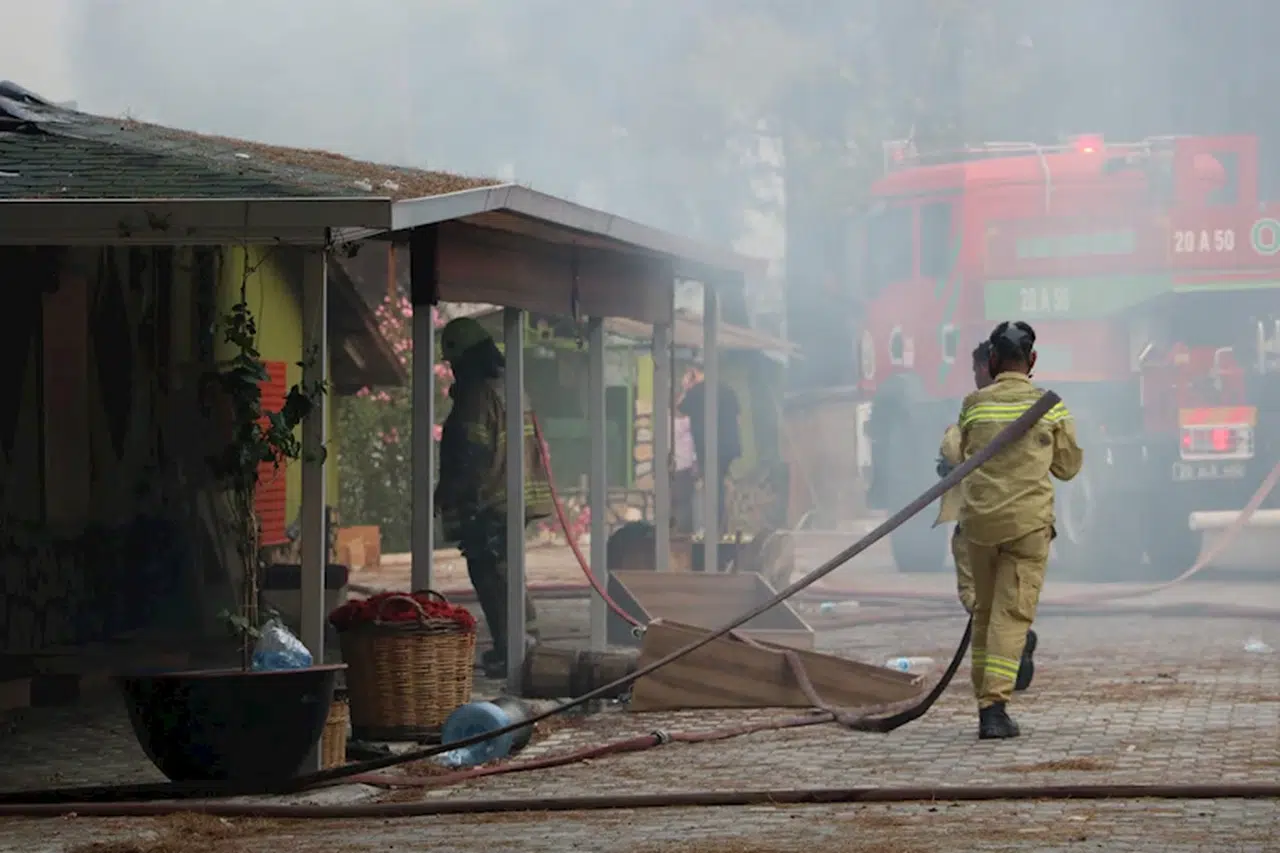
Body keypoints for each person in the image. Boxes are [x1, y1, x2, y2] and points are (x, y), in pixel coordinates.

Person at [956, 320, 1083, 739]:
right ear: (1031, 361)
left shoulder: (974, 403)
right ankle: (994, 710)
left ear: (992, 361)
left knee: (985, 613)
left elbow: (961, 452)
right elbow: (1067, 468)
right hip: (1027, 527)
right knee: (1011, 615)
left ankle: (984, 703)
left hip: (978, 525)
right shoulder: (1051, 407)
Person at [435, 317, 553, 678]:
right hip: (514, 497)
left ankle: (515, 650)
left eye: (453, 362)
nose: (453, 370)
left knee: (492, 575)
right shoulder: (511, 387)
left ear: (464, 359)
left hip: (488, 500)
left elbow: (470, 452)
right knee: (507, 573)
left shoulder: (477, 395)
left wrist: (448, 492)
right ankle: (523, 645)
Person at [936, 341, 1039, 694]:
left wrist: (948, 456)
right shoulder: (1031, 405)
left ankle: (1004, 674)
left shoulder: (975, 410)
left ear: (988, 367)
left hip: (979, 523)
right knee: (1009, 595)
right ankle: (1016, 645)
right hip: (1025, 521)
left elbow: (954, 450)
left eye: (977, 370)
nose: (975, 377)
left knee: (976, 595)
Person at [678, 375, 742, 535]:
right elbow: (738, 417)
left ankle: (715, 528)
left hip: (707, 447)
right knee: (718, 484)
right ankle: (721, 525)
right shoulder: (727, 389)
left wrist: (686, 389)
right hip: (728, 448)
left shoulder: (696, 391)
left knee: (714, 487)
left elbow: (680, 409)